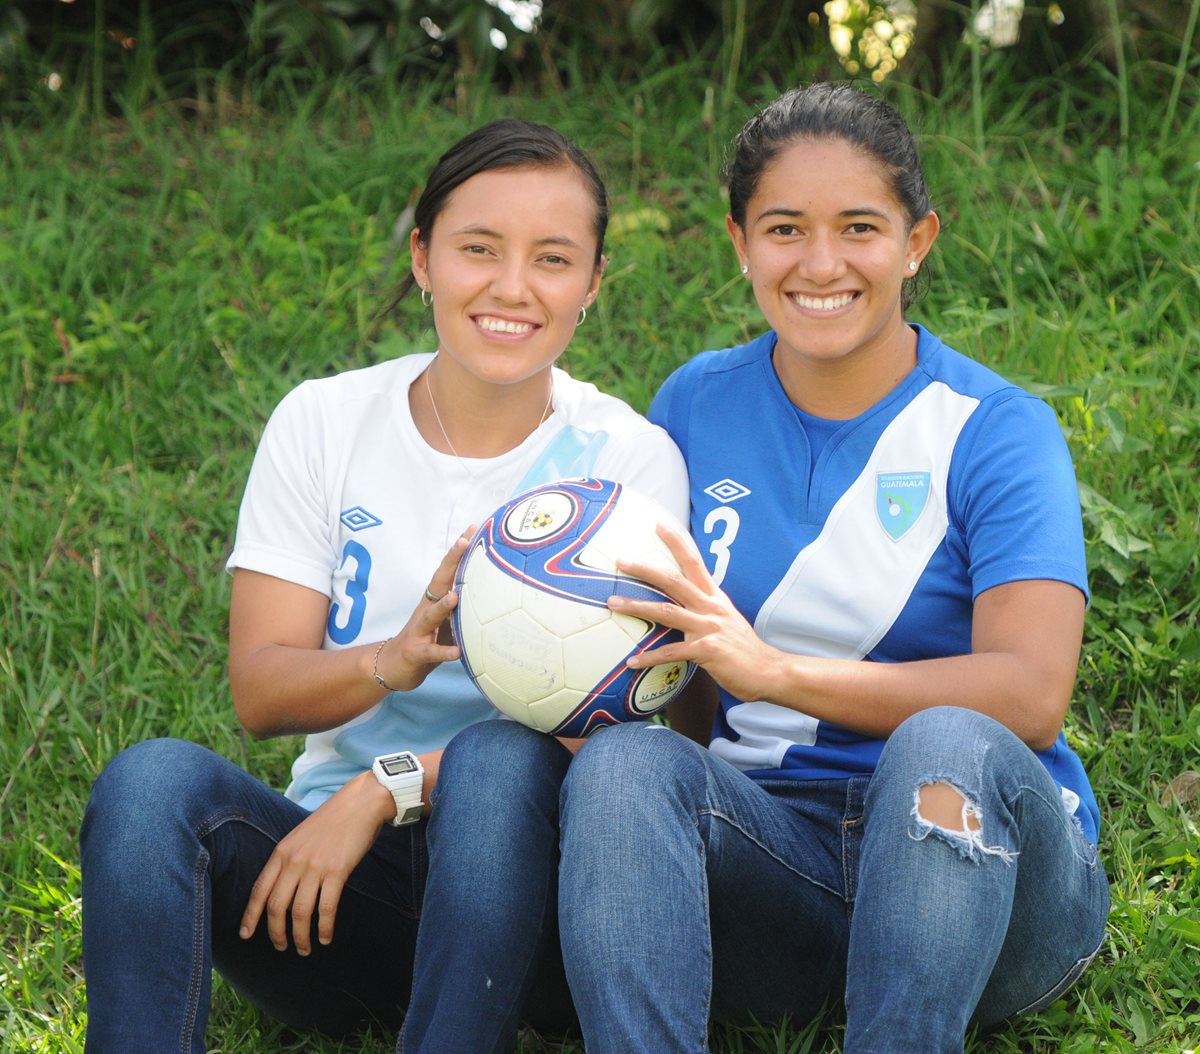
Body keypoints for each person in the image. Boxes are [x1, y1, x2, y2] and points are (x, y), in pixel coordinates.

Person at [78, 118, 688, 1053]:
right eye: (478, 249)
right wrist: (389, 661)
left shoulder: (627, 467)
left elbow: (628, 745)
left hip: (539, 912)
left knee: (499, 759)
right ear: (422, 258)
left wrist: (384, 786)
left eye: (554, 259)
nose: (512, 287)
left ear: (594, 283)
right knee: (148, 783)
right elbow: (262, 690)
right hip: (333, 895)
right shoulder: (324, 421)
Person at [551, 82, 1111, 1053]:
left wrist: (776, 673)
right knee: (628, 764)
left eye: (860, 227)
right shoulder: (694, 402)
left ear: (917, 241)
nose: (821, 263)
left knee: (950, 739)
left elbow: (1028, 696)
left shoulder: (996, 430)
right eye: (783, 228)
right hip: (782, 859)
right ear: (739, 242)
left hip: (992, 877)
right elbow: (673, 652)